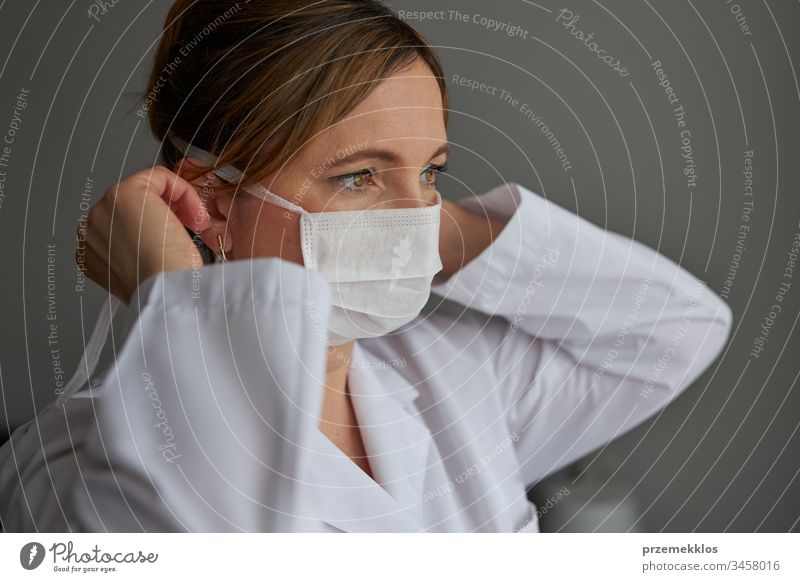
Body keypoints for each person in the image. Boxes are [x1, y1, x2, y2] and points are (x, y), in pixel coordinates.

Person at [0, 0, 732, 532]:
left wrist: (419, 221)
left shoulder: (455, 383)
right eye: (359, 176)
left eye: (433, 170)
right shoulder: (79, 461)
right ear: (213, 205)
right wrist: (179, 295)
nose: (414, 212)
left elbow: (677, 328)